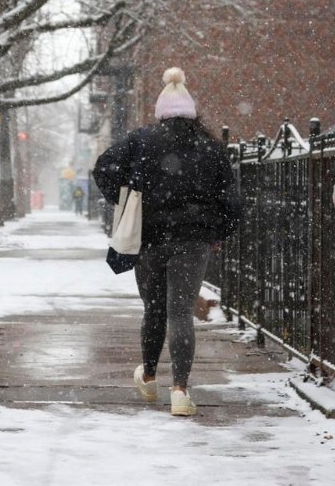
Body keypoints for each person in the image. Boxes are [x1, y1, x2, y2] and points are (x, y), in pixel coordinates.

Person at [92, 67, 241, 417]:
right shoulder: (211, 147)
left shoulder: (142, 141)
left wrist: (125, 195)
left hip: (150, 238)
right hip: (193, 240)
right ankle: (180, 390)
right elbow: (232, 200)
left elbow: (103, 168)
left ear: (161, 113)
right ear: (192, 113)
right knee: (180, 313)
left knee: (154, 310)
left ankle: (148, 377)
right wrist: (217, 232)